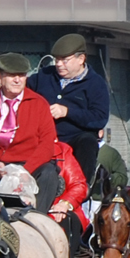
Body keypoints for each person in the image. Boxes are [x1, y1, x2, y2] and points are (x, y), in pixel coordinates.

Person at [0, 53, 62, 205]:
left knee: (49, 174)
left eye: (21, 75)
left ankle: (37, 219)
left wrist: (25, 170)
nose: (17, 80)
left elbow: (47, 144)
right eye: (11, 75)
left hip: (31, 165)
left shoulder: (39, 104)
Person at [26, 34, 109, 179]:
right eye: (57, 59)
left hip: (75, 139)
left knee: (88, 142)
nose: (58, 64)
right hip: (42, 136)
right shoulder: (44, 76)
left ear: (81, 59)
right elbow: (23, 93)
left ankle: (81, 188)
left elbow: (99, 118)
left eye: (65, 60)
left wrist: (67, 112)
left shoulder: (96, 84)